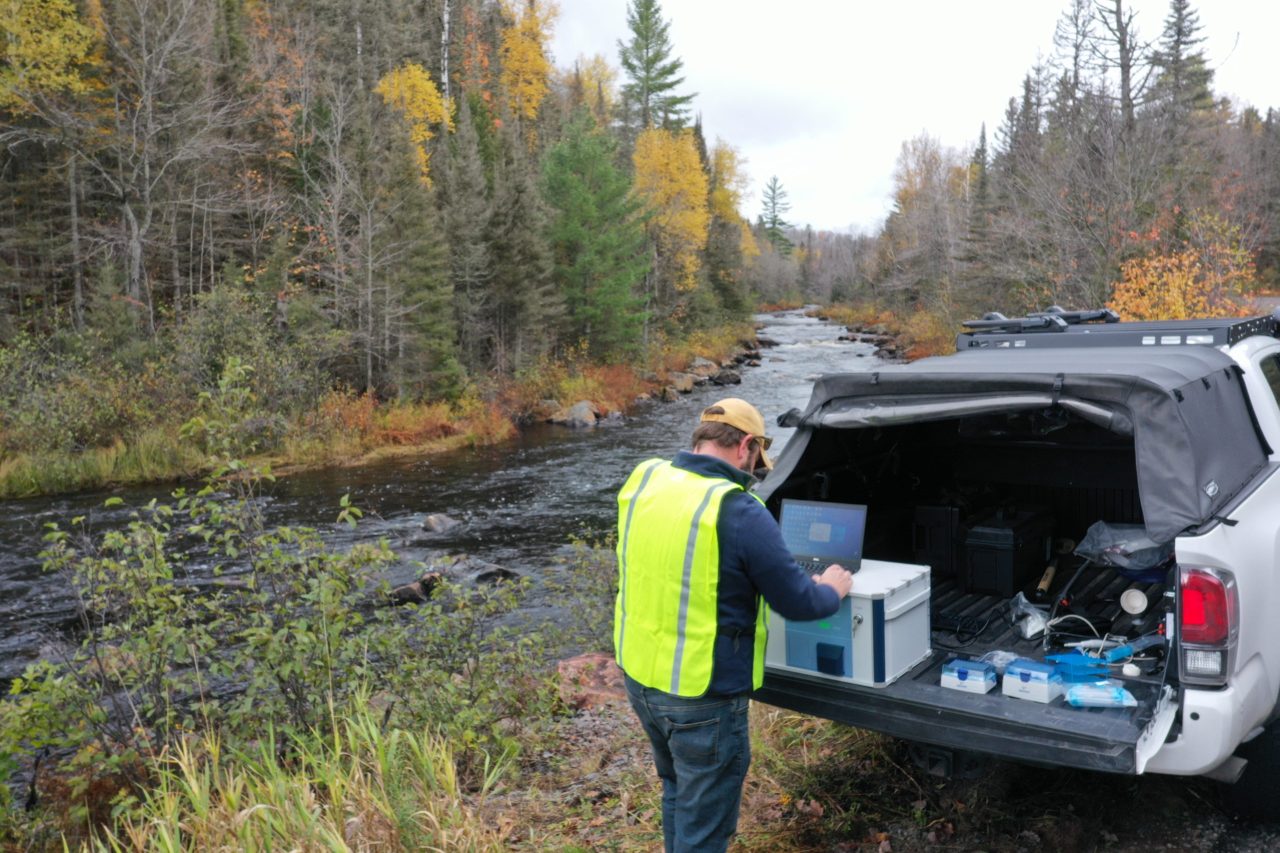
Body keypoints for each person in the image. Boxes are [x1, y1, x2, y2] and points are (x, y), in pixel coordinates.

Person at [614, 397, 854, 853]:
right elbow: (799, 601)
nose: (753, 472)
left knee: (678, 792)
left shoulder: (646, 478)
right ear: (746, 444)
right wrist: (832, 588)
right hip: (701, 699)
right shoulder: (739, 510)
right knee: (704, 829)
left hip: (640, 678)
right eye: (756, 460)